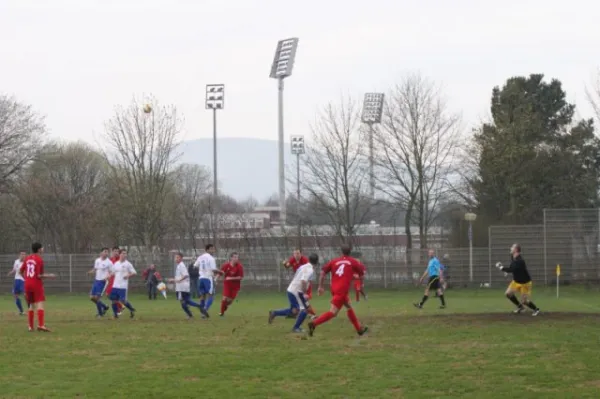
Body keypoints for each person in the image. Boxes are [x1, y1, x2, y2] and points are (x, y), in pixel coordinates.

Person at [308, 245, 368, 337]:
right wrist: (360, 281)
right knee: (333, 312)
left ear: (341, 252)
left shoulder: (334, 261)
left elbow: (322, 273)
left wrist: (320, 286)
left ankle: (359, 329)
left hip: (335, 289)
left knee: (348, 307)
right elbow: (362, 274)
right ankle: (314, 323)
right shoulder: (353, 261)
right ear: (350, 252)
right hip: (342, 290)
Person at [269, 253, 318, 332]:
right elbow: (303, 281)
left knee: (294, 311)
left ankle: (274, 313)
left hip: (292, 289)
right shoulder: (310, 269)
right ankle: (296, 328)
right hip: (297, 291)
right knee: (305, 309)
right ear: (316, 262)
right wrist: (304, 292)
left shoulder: (303, 266)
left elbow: (297, 274)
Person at [495, 243, 540, 316]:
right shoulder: (513, 257)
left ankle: (536, 309)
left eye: (512, 247)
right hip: (516, 281)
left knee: (524, 301)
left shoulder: (520, 261)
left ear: (516, 250)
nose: (510, 248)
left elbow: (512, 269)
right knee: (508, 294)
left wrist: (501, 268)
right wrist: (506, 271)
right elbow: (512, 267)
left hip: (525, 283)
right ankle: (520, 307)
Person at [19, 242, 56, 332]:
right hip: (36, 284)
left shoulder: (27, 258)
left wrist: (27, 279)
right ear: (39, 250)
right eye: (42, 248)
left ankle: (30, 327)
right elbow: (39, 275)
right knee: (39, 303)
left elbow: (20, 271)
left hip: (27, 284)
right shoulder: (39, 260)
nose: (43, 249)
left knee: (31, 304)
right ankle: (41, 325)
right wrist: (50, 276)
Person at [168, 253, 208, 319]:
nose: (176, 259)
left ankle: (192, 313)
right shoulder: (179, 266)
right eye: (175, 257)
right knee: (185, 301)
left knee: (184, 302)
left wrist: (176, 280)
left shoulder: (181, 266)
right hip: (181, 287)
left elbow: (186, 275)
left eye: (177, 257)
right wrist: (175, 280)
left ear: (181, 258)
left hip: (182, 287)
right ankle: (192, 312)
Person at [283, 249, 317, 318]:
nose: (296, 255)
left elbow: (310, 269)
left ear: (301, 254)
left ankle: (310, 314)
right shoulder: (292, 259)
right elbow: (287, 266)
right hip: (298, 281)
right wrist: (284, 264)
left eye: (298, 253)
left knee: (304, 299)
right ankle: (295, 313)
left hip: (305, 281)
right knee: (298, 299)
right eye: (295, 253)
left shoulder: (305, 260)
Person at [108, 249, 137, 319]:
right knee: (113, 300)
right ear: (120, 254)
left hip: (123, 286)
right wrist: (108, 276)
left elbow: (134, 272)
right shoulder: (116, 263)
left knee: (122, 301)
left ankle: (131, 309)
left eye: (125, 253)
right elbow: (113, 272)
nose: (125, 255)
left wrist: (128, 275)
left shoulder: (128, 264)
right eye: (123, 253)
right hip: (115, 285)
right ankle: (115, 315)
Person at [86, 248, 112, 317]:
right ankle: (105, 306)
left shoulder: (109, 262)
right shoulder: (97, 260)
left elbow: (112, 272)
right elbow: (95, 269)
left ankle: (100, 313)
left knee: (97, 298)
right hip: (96, 281)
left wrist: (107, 277)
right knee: (91, 297)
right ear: (101, 253)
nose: (106, 253)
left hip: (103, 282)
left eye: (107, 252)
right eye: (105, 251)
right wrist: (90, 272)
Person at [194, 244, 219, 314]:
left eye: (213, 249)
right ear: (207, 250)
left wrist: (201, 271)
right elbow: (214, 270)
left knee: (203, 295)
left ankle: (202, 312)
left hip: (201, 278)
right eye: (211, 249)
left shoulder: (200, 257)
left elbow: (195, 266)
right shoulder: (211, 258)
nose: (213, 250)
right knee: (211, 295)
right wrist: (221, 272)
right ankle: (205, 309)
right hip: (208, 278)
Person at [219, 252, 244, 317]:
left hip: (235, 286)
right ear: (231, 258)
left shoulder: (239, 266)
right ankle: (221, 313)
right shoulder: (226, 265)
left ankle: (225, 307)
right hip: (227, 284)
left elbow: (240, 277)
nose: (236, 259)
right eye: (235, 257)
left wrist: (230, 278)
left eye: (237, 257)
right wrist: (216, 278)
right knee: (224, 298)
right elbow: (221, 272)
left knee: (229, 301)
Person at [6, 250, 27, 315]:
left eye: (24, 254)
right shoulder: (16, 261)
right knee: (15, 295)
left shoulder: (26, 262)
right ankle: (21, 311)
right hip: (17, 280)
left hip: (23, 280)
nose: (23, 255)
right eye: (22, 254)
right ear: (19, 255)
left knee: (26, 295)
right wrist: (10, 273)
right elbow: (14, 269)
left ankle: (30, 308)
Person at [106, 247, 124, 315]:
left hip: (118, 281)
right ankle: (120, 307)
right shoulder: (110, 260)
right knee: (108, 295)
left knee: (113, 298)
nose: (116, 252)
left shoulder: (120, 260)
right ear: (112, 252)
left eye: (117, 251)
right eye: (114, 251)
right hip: (111, 280)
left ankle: (116, 312)